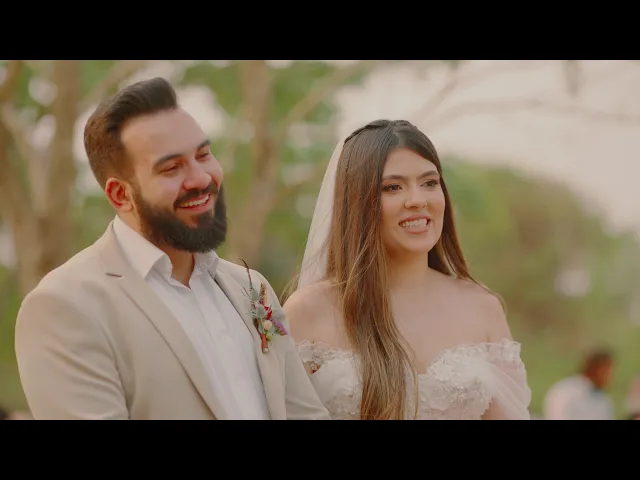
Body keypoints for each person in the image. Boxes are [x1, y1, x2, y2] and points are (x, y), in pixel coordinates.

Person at [14, 77, 330, 420]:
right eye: (171, 168)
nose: (201, 178)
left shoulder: (251, 287)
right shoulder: (65, 305)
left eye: (203, 155)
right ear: (120, 195)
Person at [283, 119, 532, 420]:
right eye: (392, 187)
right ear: (357, 202)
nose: (417, 200)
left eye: (429, 183)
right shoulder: (308, 311)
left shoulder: (482, 306)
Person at [543, 348, 615, 420]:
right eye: (606, 371)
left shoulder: (604, 400)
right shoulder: (566, 392)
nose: (609, 376)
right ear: (594, 368)